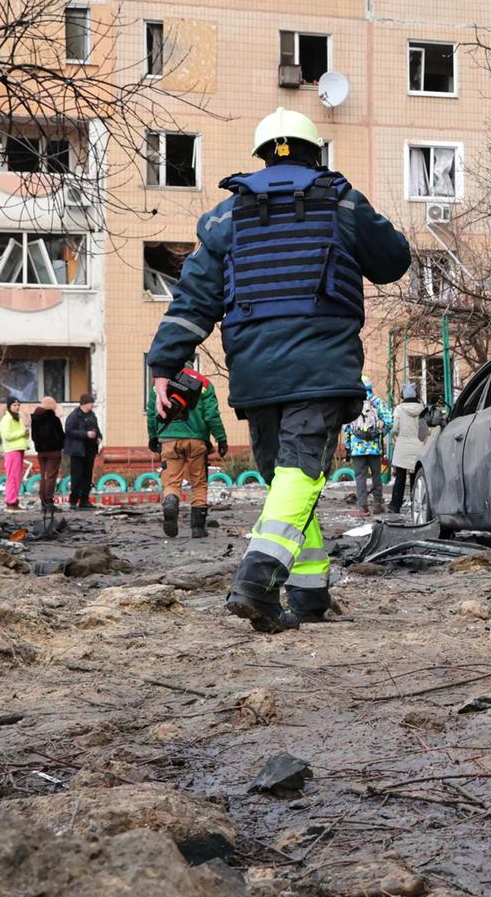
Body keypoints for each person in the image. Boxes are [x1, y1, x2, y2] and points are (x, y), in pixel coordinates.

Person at [145, 108, 411, 632]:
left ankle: (308, 596)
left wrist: (164, 363)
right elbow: (393, 262)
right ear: (316, 153)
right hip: (321, 364)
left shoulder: (225, 218)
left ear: (262, 155)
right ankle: (257, 578)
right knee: (300, 475)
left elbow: (193, 299)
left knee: (287, 481)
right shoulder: (341, 201)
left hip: (256, 370)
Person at [147, 369, 227, 539]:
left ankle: (170, 502)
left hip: (169, 439)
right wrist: (221, 438)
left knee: (171, 481)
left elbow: (153, 412)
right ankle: (198, 528)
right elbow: (212, 415)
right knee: (198, 482)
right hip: (197, 440)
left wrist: (153, 436)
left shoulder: (159, 384)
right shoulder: (204, 383)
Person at [345, 377, 393, 517]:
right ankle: (378, 504)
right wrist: (380, 434)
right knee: (376, 475)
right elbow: (389, 421)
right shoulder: (376, 402)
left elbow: (347, 427)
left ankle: (362, 507)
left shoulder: (352, 403)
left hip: (357, 447)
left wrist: (349, 446)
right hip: (374, 447)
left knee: (360, 476)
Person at [388, 383, 428, 516]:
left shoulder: (399, 409)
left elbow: (395, 429)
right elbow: (424, 431)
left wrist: (394, 435)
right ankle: (415, 504)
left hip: (402, 447)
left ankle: (395, 505)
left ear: (403, 396)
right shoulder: (422, 409)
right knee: (415, 477)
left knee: (400, 477)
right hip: (417, 447)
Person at [63, 393, 101, 509]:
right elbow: (69, 431)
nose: (92, 406)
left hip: (90, 450)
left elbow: (96, 428)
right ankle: (73, 501)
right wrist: (85, 434)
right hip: (78, 451)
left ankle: (85, 499)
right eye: (91, 403)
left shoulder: (92, 415)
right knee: (77, 476)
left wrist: (98, 437)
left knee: (87, 476)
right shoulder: (74, 416)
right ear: (85, 404)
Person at [30, 397, 64, 512]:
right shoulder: (53, 419)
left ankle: (43, 500)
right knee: (51, 476)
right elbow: (60, 435)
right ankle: (49, 501)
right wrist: (61, 444)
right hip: (54, 451)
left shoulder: (35, 418)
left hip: (41, 452)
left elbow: (34, 436)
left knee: (44, 475)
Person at [0, 398, 28, 512]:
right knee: (13, 477)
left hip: (19, 449)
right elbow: (7, 435)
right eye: (14, 405)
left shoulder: (17, 418)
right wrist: (22, 433)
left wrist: (25, 436)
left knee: (17, 477)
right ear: (9, 406)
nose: (17, 407)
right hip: (12, 450)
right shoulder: (6, 419)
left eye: (18, 405)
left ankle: (14, 501)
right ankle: (11, 502)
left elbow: (21, 432)